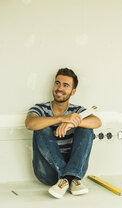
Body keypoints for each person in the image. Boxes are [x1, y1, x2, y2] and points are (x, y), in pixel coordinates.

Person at [25, 68, 102, 199]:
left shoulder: (77, 111)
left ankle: (67, 178)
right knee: (40, 126)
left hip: (76, 168)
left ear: (73, 91)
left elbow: (97, 122)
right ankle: (69, 178)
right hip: (47, 172)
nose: (59, 88)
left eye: (65, 85)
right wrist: (61, 119)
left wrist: (73, 122)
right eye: (57, 83)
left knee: (86, 126)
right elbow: (29, 123)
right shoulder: (39, 108)